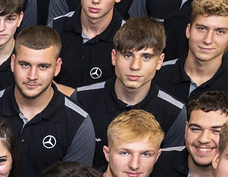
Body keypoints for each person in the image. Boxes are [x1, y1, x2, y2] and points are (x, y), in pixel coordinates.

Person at [0, 26, 95, 177]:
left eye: (43, 66)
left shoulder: (78, 123)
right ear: (13, 63)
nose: (32, 76)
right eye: (25, 65)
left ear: (57, 67)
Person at [71, 17, 170, 165]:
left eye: (146, 57)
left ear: (160, 61)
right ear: (113, 57)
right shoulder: (81, 99)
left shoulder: (173, 112)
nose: (135, 66)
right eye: (128, 55)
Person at [151, 0, 228, 116]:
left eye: (220, 32)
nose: (208, 40)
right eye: (202, 28)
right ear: (188, 30)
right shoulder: (155, 75)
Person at [49, 0, 127, 97]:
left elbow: (122, 96)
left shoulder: (128, 38)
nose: (96, 0)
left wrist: (67, 92)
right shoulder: (56, 27)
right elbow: (40, 82)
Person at [150, 89, 228, 177]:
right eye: (196, 129)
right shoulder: (155, 163)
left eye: (216, 131)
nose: (203, 139)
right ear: (186, 129)